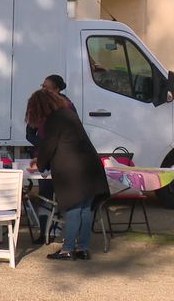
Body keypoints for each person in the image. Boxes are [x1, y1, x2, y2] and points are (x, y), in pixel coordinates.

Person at [28, 89, 109, 261]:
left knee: (73, 208)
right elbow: (64, 142)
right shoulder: (67, 114)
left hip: (73, 170)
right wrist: (41, 159)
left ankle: (68, 249)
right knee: (86, 209)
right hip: (90, 167)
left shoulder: (54, 120)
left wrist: (39, 164)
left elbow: (50, 145)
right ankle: (83, 248)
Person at [26, 74, 76, 243]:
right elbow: (29, 133)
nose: (43, 89)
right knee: (45, 193)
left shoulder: (67, 106)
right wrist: (44, 146)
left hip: (62, 157)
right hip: (43, 155)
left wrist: (54, 146)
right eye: (43, 85)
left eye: (46, 87)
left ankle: (59, 231)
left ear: (57, 89)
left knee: (62, 194)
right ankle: (44, 232)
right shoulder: (40, 105)